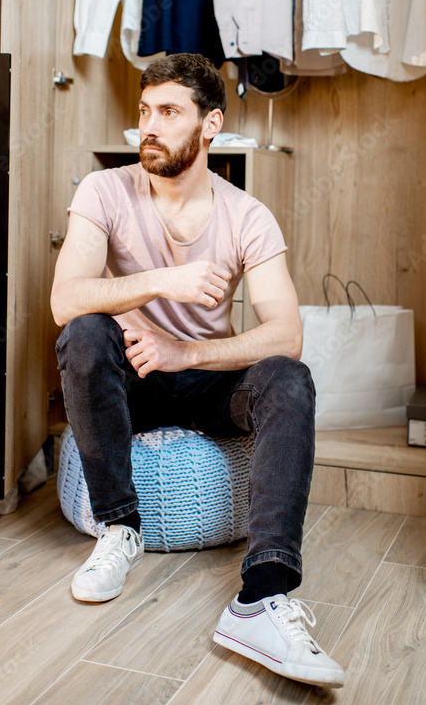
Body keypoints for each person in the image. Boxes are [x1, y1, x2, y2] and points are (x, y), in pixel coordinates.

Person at [50, 53, 345, 689]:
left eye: (168, 113)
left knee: (289, 378)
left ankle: (262, 595)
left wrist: (186, 352)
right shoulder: (103, 190)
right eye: (143, 112)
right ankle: (120, 529)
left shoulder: (248, 216)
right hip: (131, 375)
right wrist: (165, 285)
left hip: (205, 379)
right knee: (84, 332)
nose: (148, 127)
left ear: (210, 125)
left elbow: (285, 334)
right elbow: (64, 299)